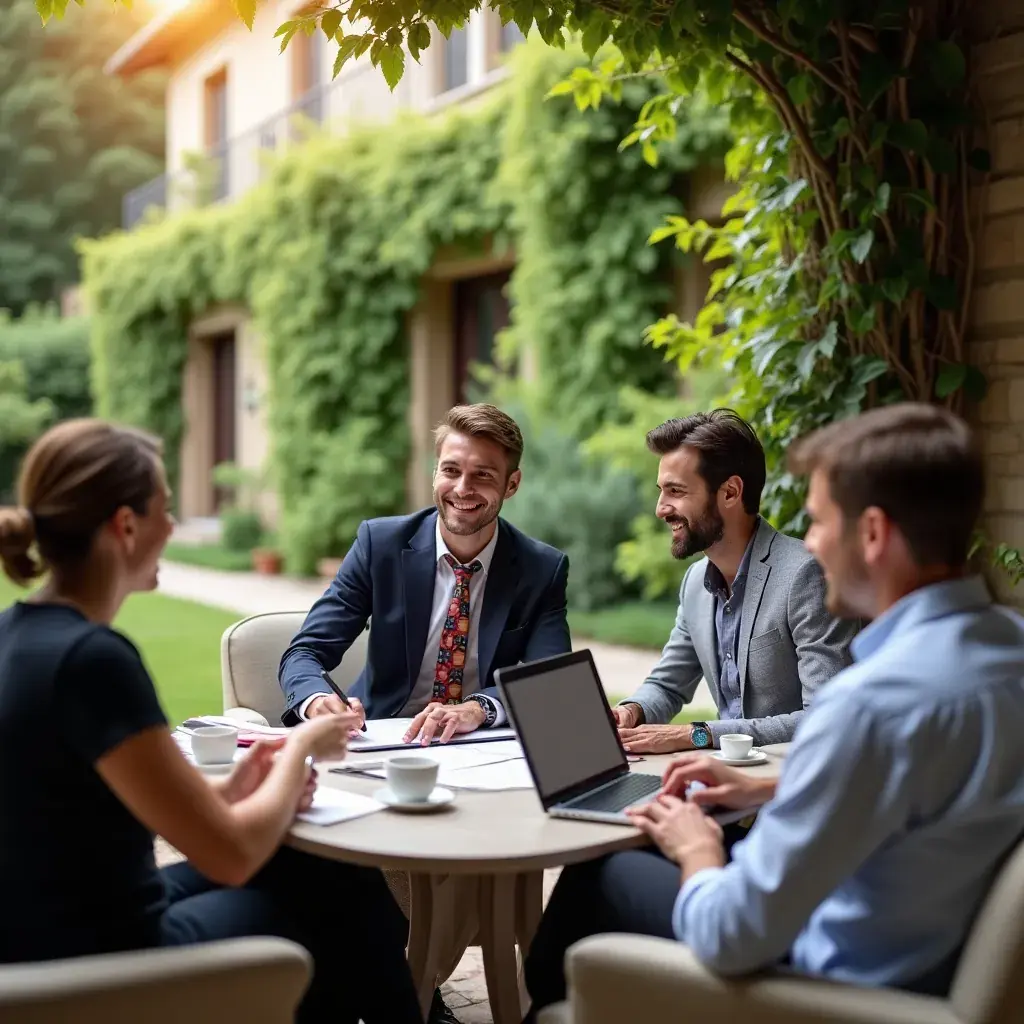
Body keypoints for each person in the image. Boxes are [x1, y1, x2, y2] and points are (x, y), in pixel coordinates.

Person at [524, 402, 1024, 1018]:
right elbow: (926, 783)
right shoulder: (1008, 650)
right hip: (929, 952)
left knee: (604, 873)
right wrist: (772, 786)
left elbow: (731, 933)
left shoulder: (869, 703)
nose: (810, 542)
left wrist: (698, 849)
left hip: (834, 989)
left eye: (818, 521)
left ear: (871, 534)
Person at [0, 419, 422, 1024]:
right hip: (104, 954)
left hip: (45, 927)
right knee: (334, 905)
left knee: (326, 866)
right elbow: (230, 856)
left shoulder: (15, 634)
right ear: (125, 527)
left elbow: (112, 805)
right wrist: (301, 744)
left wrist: (242, 785)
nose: (172, 526)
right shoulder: (94, 661)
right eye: (165, 509)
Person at [279, 403, 571, 745]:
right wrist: (316, 701)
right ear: (435, 472)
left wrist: (479, 709)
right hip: (379, 737)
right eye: (451, 470)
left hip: (476, 745)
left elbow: (552, 681)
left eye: (483, 475)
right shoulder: (380, 545)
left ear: (512, 484)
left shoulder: (542, 569)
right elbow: (305, 653)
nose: (462, 488)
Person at [613, 409, 856, 755]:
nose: (661, 508)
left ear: (730, 493)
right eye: (661, 491)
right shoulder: (696, 582)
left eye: (675, 491)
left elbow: (826, 717)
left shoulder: (806, 575)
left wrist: (697, 734)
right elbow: (667, 685)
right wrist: (630, 711)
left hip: (791, 783)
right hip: (726, 782)